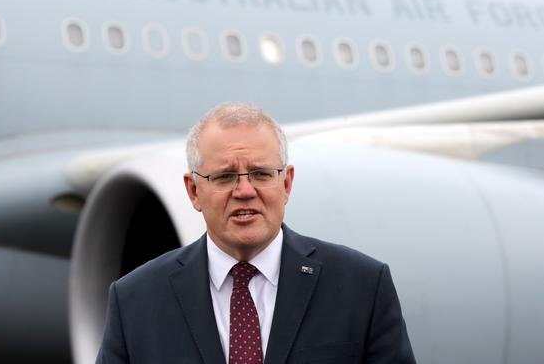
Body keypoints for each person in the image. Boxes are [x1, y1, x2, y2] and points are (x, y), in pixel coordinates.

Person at [96, 102, 416, 363]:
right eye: (224, 177)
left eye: (262, 174)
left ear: (286, 183)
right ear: (193, 191)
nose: (245, 190)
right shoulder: (135, 301)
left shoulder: (361, 288)